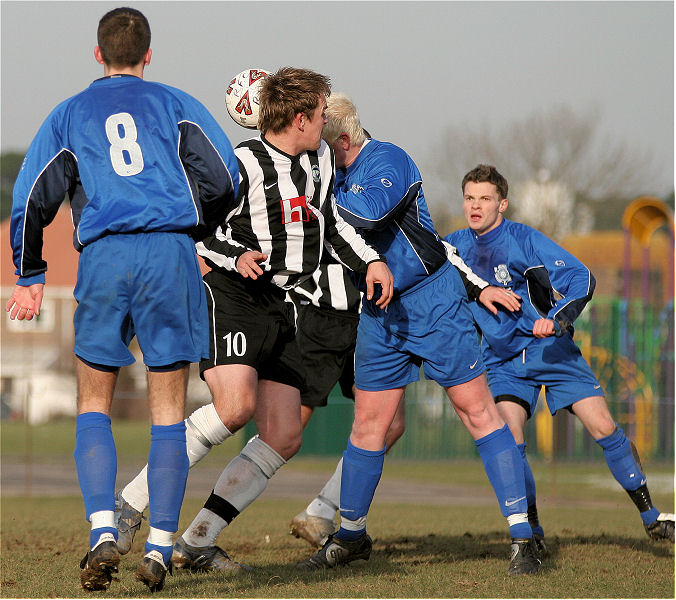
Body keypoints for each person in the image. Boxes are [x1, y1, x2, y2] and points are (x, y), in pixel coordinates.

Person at [113, 68, 394, 573]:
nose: (326, 120)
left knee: (284, 435)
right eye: (321, 111)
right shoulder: (241, 163)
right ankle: (130, 505)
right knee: (235, 406)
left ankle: (198, 540)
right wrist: (235, 253)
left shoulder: (321, 159)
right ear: (301, 117)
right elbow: (194, 224)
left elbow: (329, 225)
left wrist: (370, 260)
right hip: (234, 295)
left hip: (285, 306)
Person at [6, 7, 239, 592]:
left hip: (106, 256)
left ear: (96, 54)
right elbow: (227, 176)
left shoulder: (69, 114)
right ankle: (160, 547)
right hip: (169, 254)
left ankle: (103, 531)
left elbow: (31, 197)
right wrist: (196, 226)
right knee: (167, 410)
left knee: (94, 402)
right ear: (148, 56)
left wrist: (32, 274)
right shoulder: (173, 102)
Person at [297, 94, 541, 576]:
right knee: (369, 425)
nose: (313, 155)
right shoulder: (335, 172)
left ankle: (523, 536)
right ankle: (350, 535)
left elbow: (360, 218)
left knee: (477, 413)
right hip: (381, 310)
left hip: (433, 304)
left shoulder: (388, 160)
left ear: (343, 139)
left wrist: (299, 199)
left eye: (320, 145)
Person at [444, 163, 675, 548]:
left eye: (485, 198)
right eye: (469, 198)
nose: (475, 206)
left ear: (503, 204)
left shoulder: (524, 240)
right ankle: (531, 532)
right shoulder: (453, 248)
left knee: (602, 427)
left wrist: (556, 319)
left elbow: (581, 276)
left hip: (549, 349)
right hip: (502, 360)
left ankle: (651, 517)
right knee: (509, 439)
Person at [287, 255, 407, 548]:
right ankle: (202, 528)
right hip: (321, 319)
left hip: (374, 320)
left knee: (391, 424)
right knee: (284, 433)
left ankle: (321, 510)